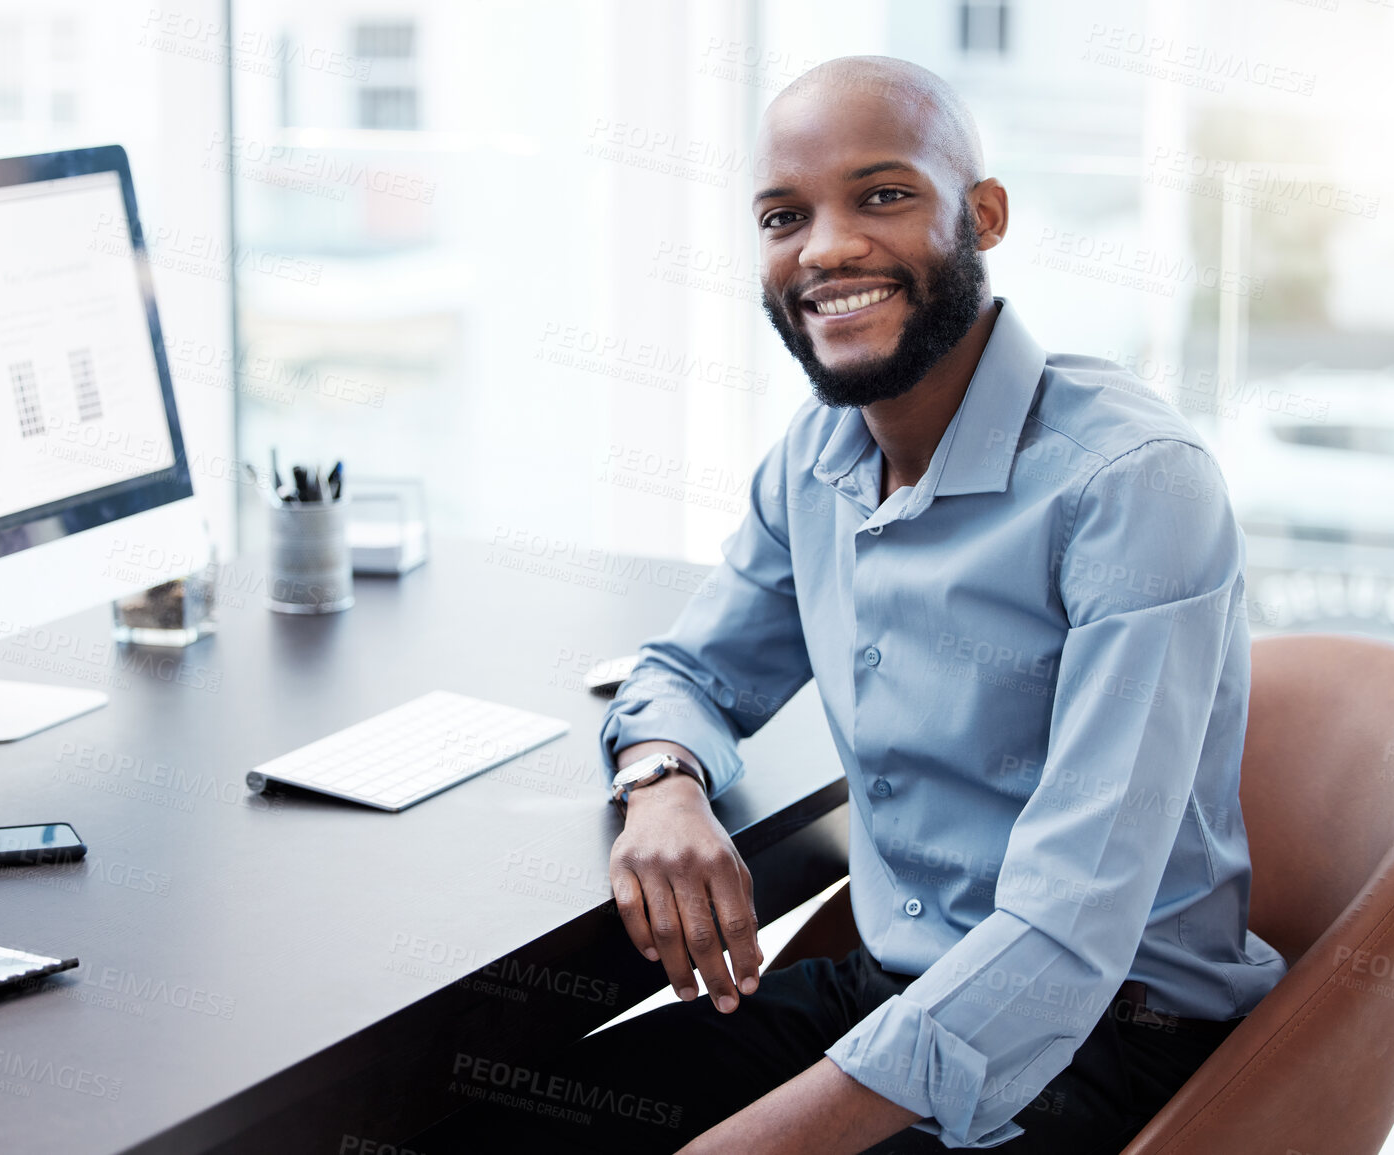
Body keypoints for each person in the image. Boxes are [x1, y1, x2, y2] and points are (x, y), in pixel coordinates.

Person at [421, 55, 1285, 1154]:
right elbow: (686, 676)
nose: (825, 248)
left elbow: (1066, 929)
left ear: (983, 215)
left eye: (883, 196)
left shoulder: (1129, 483)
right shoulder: (820, 455)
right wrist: (663, 784)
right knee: (476, 1126)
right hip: (886, 993)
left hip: (1099, 1036)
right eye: (785, 216)